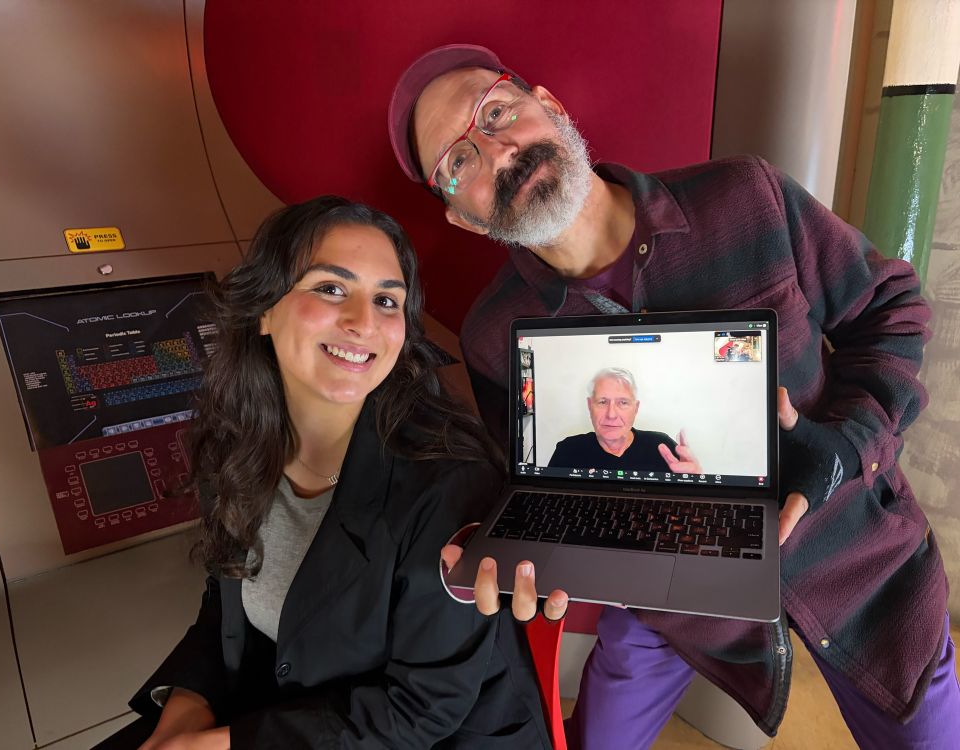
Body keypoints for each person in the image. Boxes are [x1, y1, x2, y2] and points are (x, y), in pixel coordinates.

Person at [389, 44, 958, 749]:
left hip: (856, 558)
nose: (498, 150)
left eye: (497, 112)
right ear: (464, 218)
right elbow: (535, 482)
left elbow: (893, 311)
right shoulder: (491, 335)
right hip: (668, 593)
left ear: (552, 107)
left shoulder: (745, 196)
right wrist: (496, 543)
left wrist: (848, 445)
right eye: (459, 161)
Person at [95, 197, 551, 749]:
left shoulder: (449, 482)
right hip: (297, 708)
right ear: (263, 310)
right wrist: (182, 713)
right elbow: (225, 608)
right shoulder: (234, 445)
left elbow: (421, 711)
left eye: (387, 300)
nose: (364, 322)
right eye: (331, 288)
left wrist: (219, 745)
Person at [548, 367, 700, 474]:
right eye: (602, 402)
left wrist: (696, 485)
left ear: (636, 408)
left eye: (623, 403)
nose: (611, 414)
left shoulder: (661, 447)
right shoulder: (567, 451)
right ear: (589, 406)